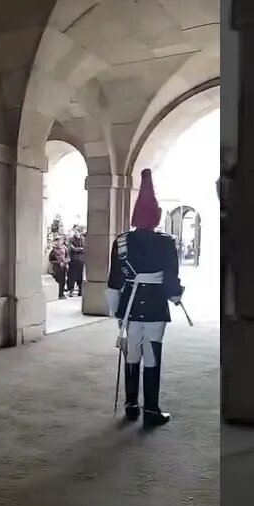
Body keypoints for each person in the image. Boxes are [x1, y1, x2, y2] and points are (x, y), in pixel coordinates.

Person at [106, 169, 183, 426]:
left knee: (131, 353)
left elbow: (114, 280)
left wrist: (116, 311)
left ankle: (131, 405)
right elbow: (171, 279)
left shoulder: (122, 241)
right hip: (154, 306)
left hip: (128, 303)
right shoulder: (166, 242)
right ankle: (151, 409)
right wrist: (175, 295)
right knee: (152, 354)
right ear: (157, 216)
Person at [66, 227, 86, 296]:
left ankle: (80, 291)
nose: (76, 233)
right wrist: (79, 249)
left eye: (78, 231)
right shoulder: (71, 239)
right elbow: (72, 248)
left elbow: (85, 248)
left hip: (81, 260)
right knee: (72, 276)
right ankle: (71, 290)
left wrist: (79, 249)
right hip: (73, 260)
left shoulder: (83, 239)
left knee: (80, 276)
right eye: (75, 231)